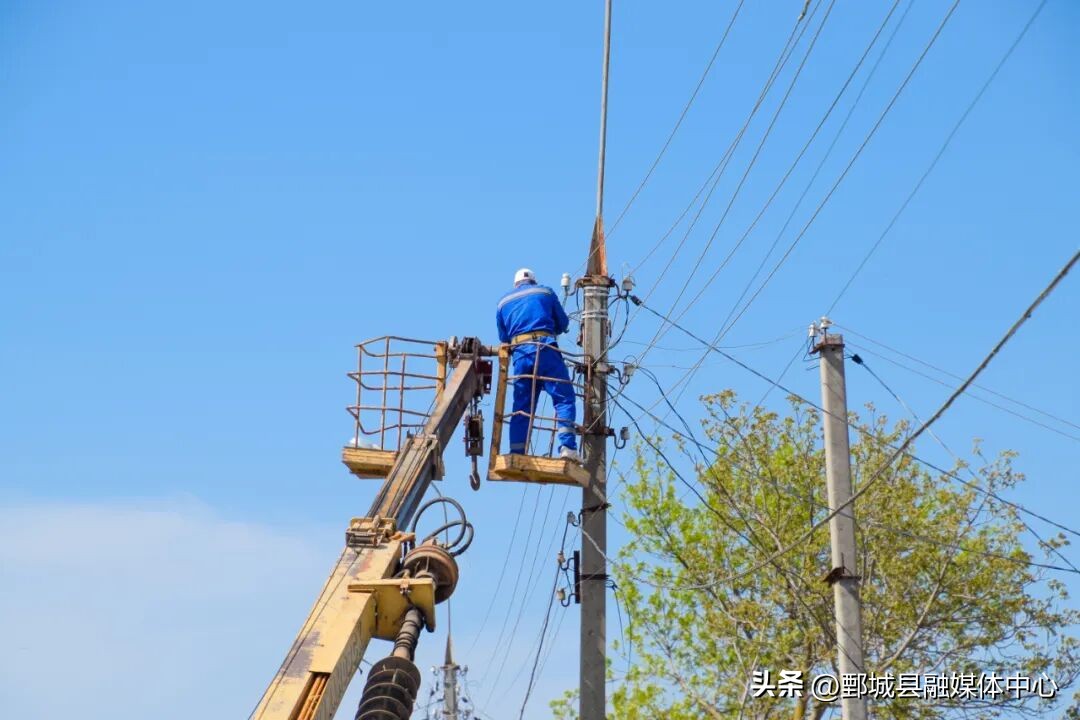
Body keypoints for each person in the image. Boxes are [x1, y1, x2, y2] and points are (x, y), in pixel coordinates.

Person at [495, 268, 581, 462]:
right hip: (546, 350)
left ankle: (517, 452)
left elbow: (504, 338)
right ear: (533, 281)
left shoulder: (503, 303)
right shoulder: (546, 292)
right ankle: (567, 447)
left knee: (522, 406)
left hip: (521, 356)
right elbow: (562, 323)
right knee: (563, 398)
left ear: (515, 284)